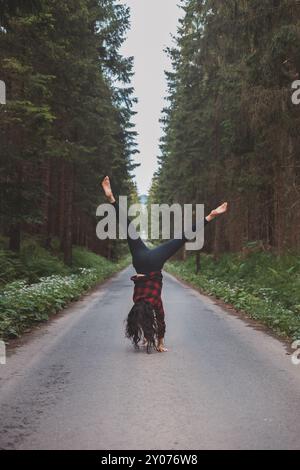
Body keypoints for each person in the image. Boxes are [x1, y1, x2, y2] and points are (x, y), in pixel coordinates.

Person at [101, 176, 228, 353]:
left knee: (181, 238)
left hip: (154, 263)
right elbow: (143, 315)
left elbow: (160, 319)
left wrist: (160, 343)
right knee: (129, 228)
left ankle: (210, 216)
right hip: (140, 261)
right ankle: (111, 198)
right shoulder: (136, 301)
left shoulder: (154, 302)